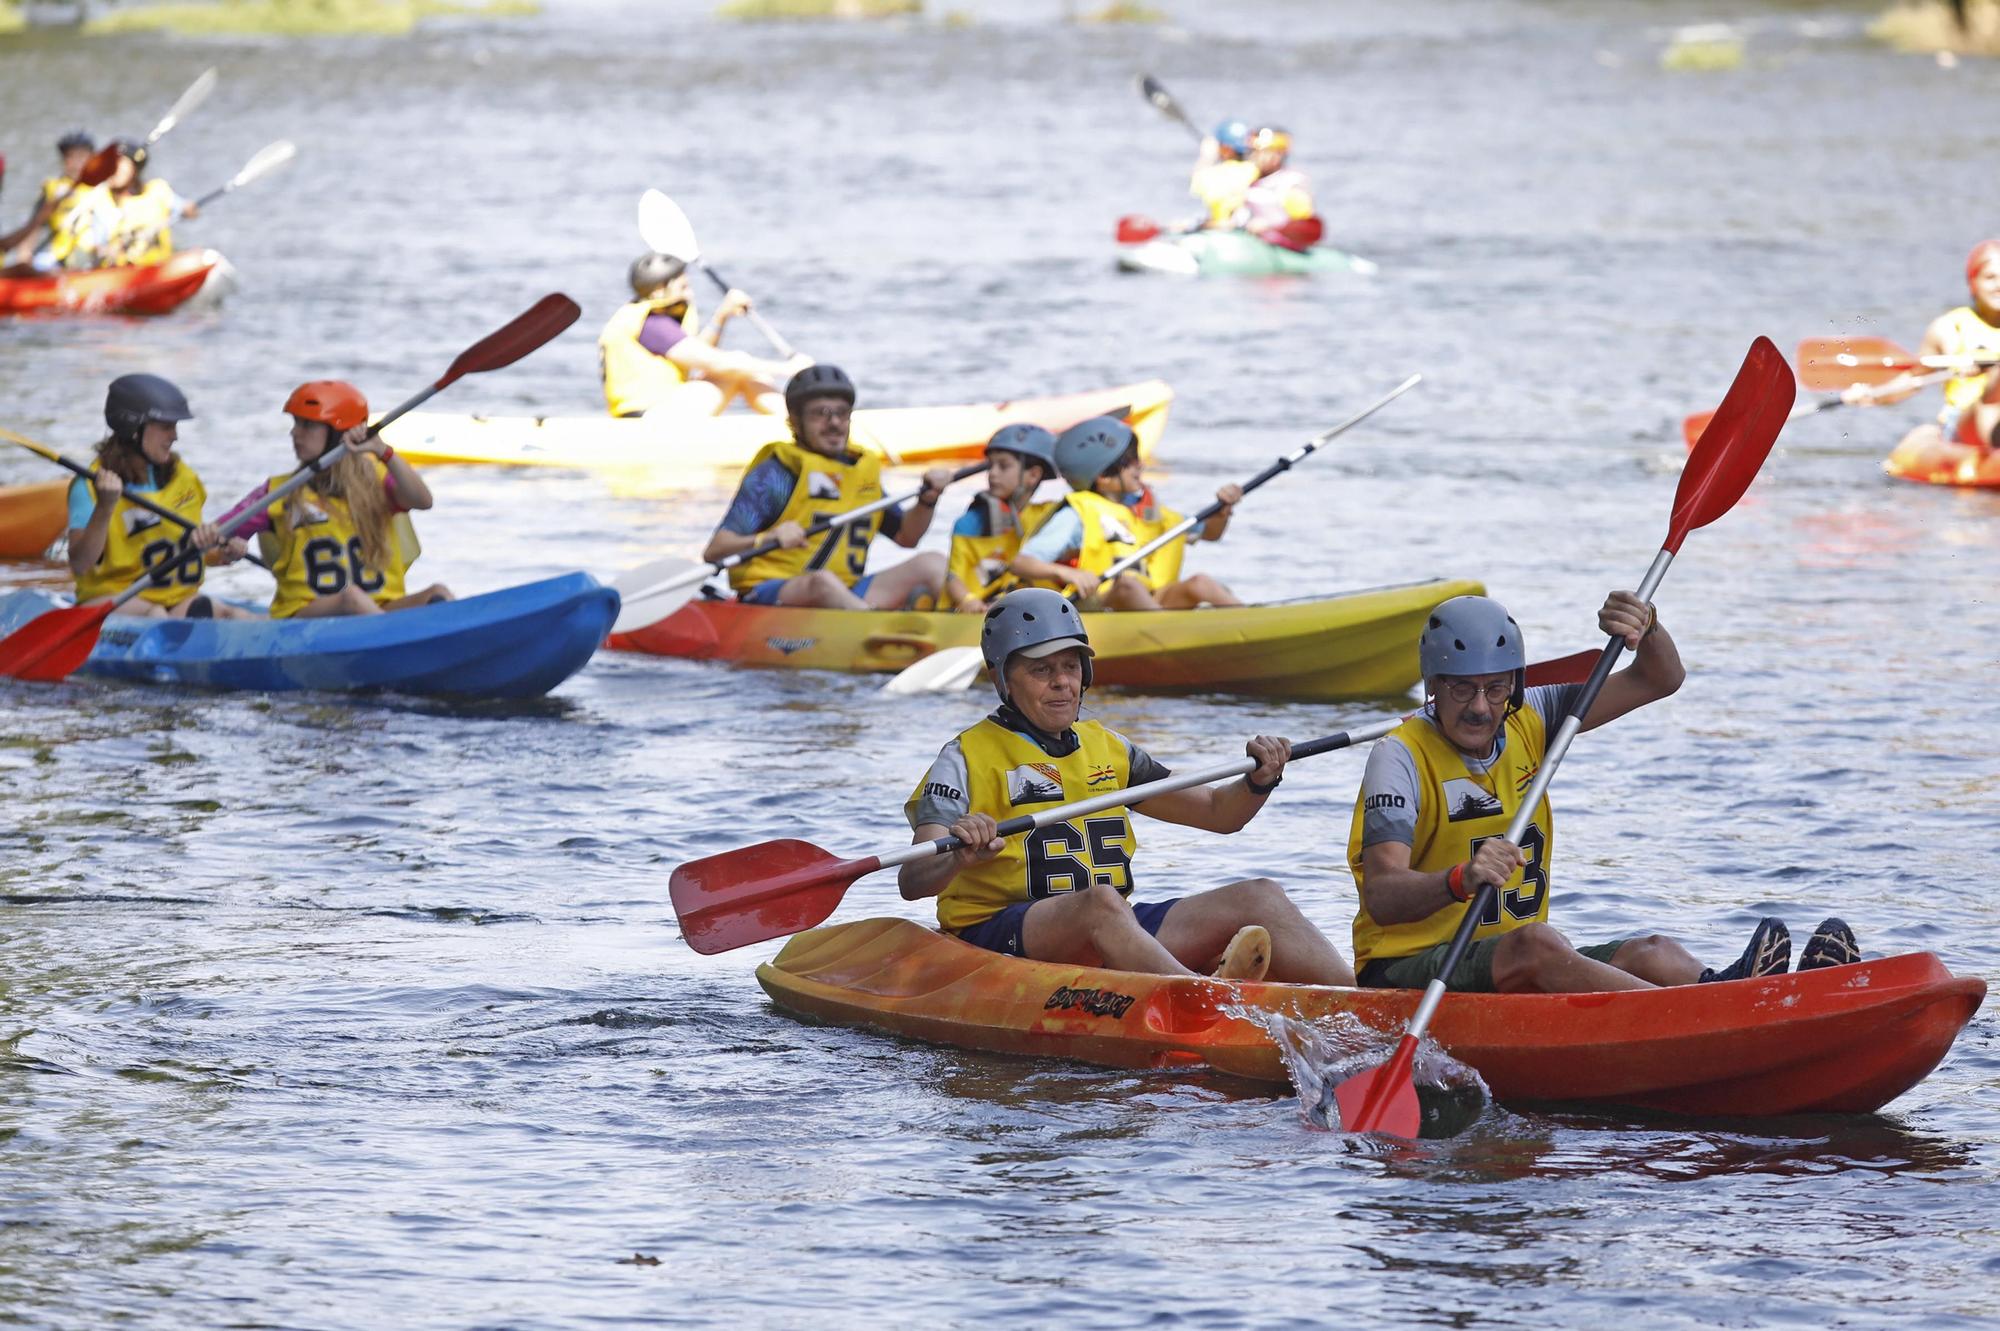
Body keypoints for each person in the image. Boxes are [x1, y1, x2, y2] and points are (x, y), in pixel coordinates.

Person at [1346, 593, 1862, 994]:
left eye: (1496, 688)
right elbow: (1384, 896)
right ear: (1432, 686)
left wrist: (1648, 627)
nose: (1481, 707)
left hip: (1505, 960)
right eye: (1462, 689)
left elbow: (1659, 678)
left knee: (1652, 951)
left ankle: (1737, 992)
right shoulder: (1400, 758)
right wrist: (1461, 878)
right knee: (1539, 942)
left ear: (1515, 685)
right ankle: (1700, 1016)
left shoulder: (1536, 718)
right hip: (1409, 971)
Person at [900, 588, 1355, 983]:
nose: (1062, 683)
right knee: (1100, 903)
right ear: (1003, 679)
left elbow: (1219, 813)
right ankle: (1210, 1000)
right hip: (1000, 934)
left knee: (1261, 897)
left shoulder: (1110, 749)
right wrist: (958, 855)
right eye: (1041, 670)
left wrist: (1259, 780)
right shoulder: (964, 756)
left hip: (1107, 926)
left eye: (1071, 666)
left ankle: (1367, 1002)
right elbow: (913, 879)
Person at [701, 365, 952, 610]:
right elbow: (716, 550)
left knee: (933, 563)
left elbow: (906, 537)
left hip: (846, 593)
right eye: (820, 413)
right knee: (823, 582)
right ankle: (872, 625)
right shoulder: (778, 474)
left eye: (842, 413)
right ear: (795, 422)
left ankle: (973, 624)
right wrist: (768, 537)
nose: (834, 423)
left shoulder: (859, 473)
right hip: (772, 594)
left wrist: (928, 500)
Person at [220, 381, 452, 619]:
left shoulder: (379, 481)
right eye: (296, 423)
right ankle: (404, 647)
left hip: (377, 609)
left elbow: (423, 501)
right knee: (351, 599)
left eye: (307, 425)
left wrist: (383, 451)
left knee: (438, 593)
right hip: (303, 619)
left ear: (337, 434)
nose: (294, 432)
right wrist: (225, 551)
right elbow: (214, 539)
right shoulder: (279, 493)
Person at [66, 373, 253, 620]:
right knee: (154, 615)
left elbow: (186, 551)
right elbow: (80, 564)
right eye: (166, 426)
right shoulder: (88, 487)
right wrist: (105, 506)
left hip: (174, 602)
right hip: (114, 604)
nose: (174, 436)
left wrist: (222, 552)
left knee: (229, 614)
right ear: (134, 429)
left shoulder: (183, 479)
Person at [1012, 416, 1243, 610]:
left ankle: (1250, 619)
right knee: (1128, 586)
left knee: (1200, 582)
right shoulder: (1078, 514)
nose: (1139, 465)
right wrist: (1068, 574)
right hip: (1103, 606)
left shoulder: (1152, 512)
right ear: (1103, 476)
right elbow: (1022, 562)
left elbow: (1212, 533)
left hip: (1154, 602)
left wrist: (1223, 510)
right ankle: (1166, 636)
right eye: (1129, 461)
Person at [597, 252, 802, 419]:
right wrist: (789, 369)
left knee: (737, 371)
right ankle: (798, 425)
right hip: (651, 419)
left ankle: (794, 421)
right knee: (740, 369)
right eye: (683, 287)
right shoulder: (652, 324)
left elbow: (696, 354)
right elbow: (715, 362)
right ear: (659, 290)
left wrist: (722, 316)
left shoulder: (640, 318)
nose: (690, 294)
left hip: (643, 416)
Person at [1879, 239, 2000, 467]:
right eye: (1990, 278)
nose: (1998, 286)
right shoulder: (1949, 327)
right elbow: (1915, 379)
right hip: (1966, 422)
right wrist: (1873, 395)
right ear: (1973, 283)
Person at [944, 423, 1062, 613]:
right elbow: (953, 577)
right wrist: (968, 600)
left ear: (1033, 474)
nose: (992, 473)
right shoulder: (969, 522)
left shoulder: (1050, 516)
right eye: (991, 465)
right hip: (978, 611)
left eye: (1003, 466)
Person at [56, 141, 198, 270]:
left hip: (158, 266)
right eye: (111, 167)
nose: (114, 172)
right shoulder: (99, 200)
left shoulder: (158, 190)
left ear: (134, 170)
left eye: (120, 166)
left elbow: (188, 210)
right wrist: (104, 250)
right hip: (122, 272)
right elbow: (93, 244)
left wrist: (188, 209)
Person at [1, 130, 94, 268]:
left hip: (92, 256)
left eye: (82, 157)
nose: (78, 163)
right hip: (57, 258)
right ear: (64, 160)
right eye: (72, 157)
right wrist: (24, 257)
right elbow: (34, 227)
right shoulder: (52, 189)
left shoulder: (102, 188)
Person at [1233, 127, 1322, 253]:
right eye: (1252, 152)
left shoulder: (1291, 183)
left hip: (1287, 249)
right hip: (1257, 246)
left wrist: (1271, 226)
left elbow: (1310, 228)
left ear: (1278, 154)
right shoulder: (1251, 182)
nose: (1253, 157)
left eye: (1260, 152)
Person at [1188, 119, 1258, 231]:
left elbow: (1195, 185)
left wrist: (1207, 156)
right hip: (1243, 231)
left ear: (1225, 149)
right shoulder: (1257, 170)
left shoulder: (1214, 174)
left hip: (1226, 233)